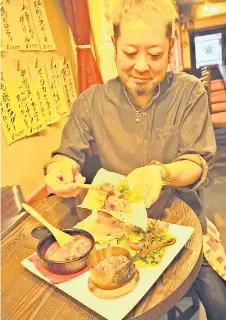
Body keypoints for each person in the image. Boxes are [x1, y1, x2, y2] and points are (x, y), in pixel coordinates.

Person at [44, 0, 226, 318]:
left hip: (179, 226)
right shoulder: (90, 103)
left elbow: (199, 163)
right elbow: (66, 155)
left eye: (154, 54)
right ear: (114, 45)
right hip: (116, 232)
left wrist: (162, 172)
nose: (142, 66)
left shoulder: (189, 93)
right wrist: (60, 168)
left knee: (220, 305)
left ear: (170, 47)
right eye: (130, 53)